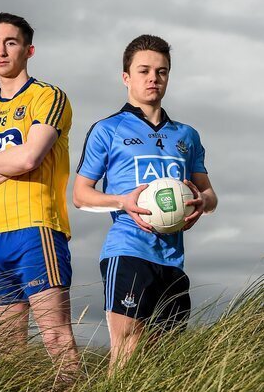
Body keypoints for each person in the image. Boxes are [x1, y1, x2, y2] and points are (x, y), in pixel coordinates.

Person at [73, 34, 217, 369]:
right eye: (144, 71)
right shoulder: (107, 129)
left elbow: (210, 195)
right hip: (128, 250)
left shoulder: (186, 135)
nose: (154, 78)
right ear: (126, 77)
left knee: (163, 360)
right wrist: (122, 202)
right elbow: (81, 195)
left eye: (161, 71)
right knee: (128, 348)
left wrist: (201, 201)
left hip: (172, 259)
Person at [0, 12, 78, 378]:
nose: (2, 51)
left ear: (28, 50)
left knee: (56, 339)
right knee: (8, 354)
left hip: (36, 231)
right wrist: (8, 165)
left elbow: (29, 158)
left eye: (11, 43)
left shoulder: (48, 97)